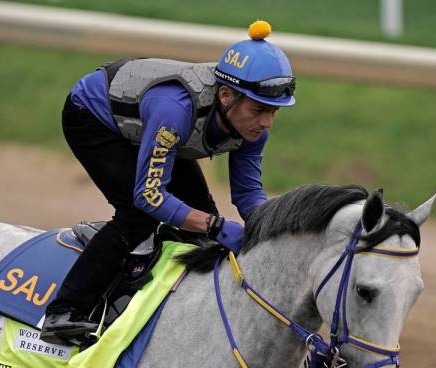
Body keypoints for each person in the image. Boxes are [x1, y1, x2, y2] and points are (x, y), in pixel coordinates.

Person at [41, 20, 296, 344]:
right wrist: (215, 226)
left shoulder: (252, 127)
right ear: (227, 95)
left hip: (160, 131)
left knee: (200, 218)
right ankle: (65, 311)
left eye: (275, 111)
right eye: (260, 110)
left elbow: (247, 193)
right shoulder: (175, 110)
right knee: (139, 215)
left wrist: (269, 228)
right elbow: (150, 195)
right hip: (94, 119)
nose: (267, 122)